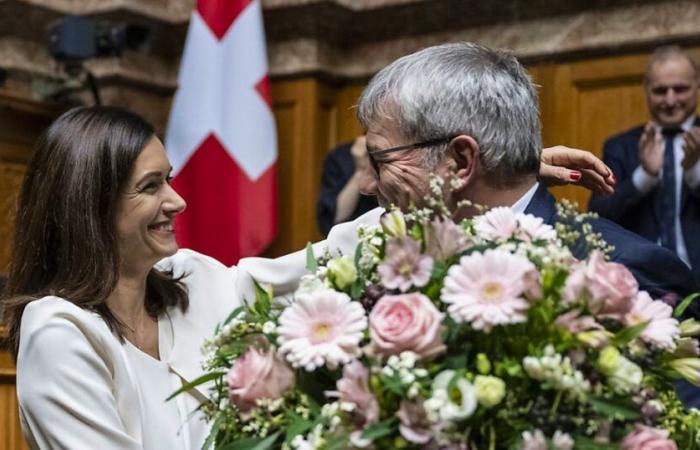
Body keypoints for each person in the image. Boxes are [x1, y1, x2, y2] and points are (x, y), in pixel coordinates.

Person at [237, 42, 697, 311]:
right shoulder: (396, 260)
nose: (367, 186)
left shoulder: (626, 276)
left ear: (459, 162)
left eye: (380, 162)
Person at [3, 106, 243, 449]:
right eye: (150, 187)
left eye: (169, 181)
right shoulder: (57, 330)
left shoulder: (190, 278)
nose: (177, 202)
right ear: (91, 206)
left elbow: (310, 274)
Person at [589, 45, 700, 284]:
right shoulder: (621, 146)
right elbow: (597, 215)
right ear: (647, 92)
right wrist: (645, 177)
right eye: (660, 91)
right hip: (642, 282)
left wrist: (694, 174)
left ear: (697, 87)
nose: (670, 100)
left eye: (680, 89)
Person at [317, 136, 379, 236]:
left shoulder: (401, 155)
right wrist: (360, 170)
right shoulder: (340, 157)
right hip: (351, 237)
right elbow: (333, 220)